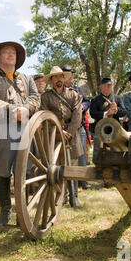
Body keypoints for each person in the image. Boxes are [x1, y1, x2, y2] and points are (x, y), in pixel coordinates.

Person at [0, 41, 40, 226]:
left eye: (13, 53)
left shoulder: (27, 78)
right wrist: (14, 110)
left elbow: (35, 97)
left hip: (25, 129)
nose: (11, 54)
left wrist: (27, 109)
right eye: (6, 52)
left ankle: (21, 213)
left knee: (23, 171)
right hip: (3, 129)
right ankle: (5, 212)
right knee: (1, 172)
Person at [40, 66, 83, 207]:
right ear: (51, 80)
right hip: (54, 135)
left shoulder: (74, 95)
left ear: (64, 79)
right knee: (57, 167)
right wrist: (59, 131)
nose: (58, 79)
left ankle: (74, 196)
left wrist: (69, 132)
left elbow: (77, 115)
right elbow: (44, 116)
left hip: (72, 134)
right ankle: (61, 196)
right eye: (55, 77)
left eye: (60, 77)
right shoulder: (46, 97)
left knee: (73, 167)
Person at [62, 64, 91, 190]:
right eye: (68, 76)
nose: (70, 79)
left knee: (82, 154)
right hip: (66, 127)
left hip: (80, 126)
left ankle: (82, 180)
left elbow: (87, 101)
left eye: (71, 76)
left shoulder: (77, 90)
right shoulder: (58, 91)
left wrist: (83, 106)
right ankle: (68, 181)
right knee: (67, 155)